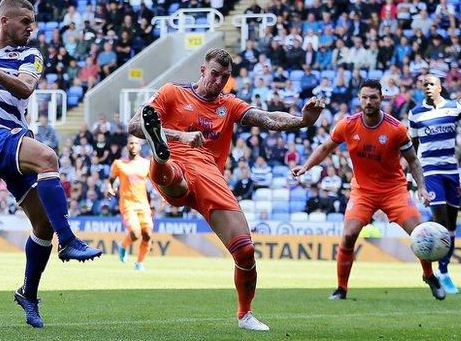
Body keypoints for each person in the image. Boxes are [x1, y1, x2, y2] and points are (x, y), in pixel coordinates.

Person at [127, 48, 325, 331]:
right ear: (202, 71)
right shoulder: (172, 92)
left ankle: (245, 314)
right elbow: (134, 124)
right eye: (214, 74)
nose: (218, 81)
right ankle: (160, 154)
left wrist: (303, 121)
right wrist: (178, 135)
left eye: (224, 77)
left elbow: (268, 119)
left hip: (210, 175)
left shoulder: (229, 105)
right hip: (178, 159)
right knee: (175, 178)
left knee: (245, 250)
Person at [0, 0, 102, 329]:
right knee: (48, 156)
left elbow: (26, 88)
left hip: (15, 134)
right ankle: (70, 241)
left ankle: (27, 294)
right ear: (5, 21)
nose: (32, 28)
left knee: (42, 225)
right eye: (25, 22)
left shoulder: (31, 56)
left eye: (33, 22)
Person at [291, 80, 445, 301]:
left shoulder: (396, 129)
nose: (368, 101)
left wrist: (421, 187)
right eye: (364, 97)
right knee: (348, 236)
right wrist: (306, 167)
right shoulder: (348, 124)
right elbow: (325, 147)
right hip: (363, 191)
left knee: (421, 233)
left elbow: (413, 161)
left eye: (373, 97)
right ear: (359, 99)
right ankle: (341, 289)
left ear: (381, 98)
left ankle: (429, 275)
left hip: (394, 191)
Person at [408, 75, 461, 294]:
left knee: (451, 226)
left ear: (440, 87)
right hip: (430, 172)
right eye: (425, 85)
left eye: (432, 84)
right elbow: (412, 147)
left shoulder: (453, 108)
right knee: (439, 217)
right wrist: (414, 178)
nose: (428, 88)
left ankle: (445, 271)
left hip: (451, 170)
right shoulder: (416, 114)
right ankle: (440, 272)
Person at [105, 135, 153, 271]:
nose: (133, 146)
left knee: (147, 234)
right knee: (135, 233)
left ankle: (139, 263)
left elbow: (156, 182)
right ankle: (123, 245)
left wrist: (163, 194)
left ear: (140, 146)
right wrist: (109, 188)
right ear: (127, 146)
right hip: (127, 204)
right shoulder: (119, 164)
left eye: (136, 143)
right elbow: (111, 180)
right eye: (131, 143)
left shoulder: (146, 164)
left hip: (143, 204)